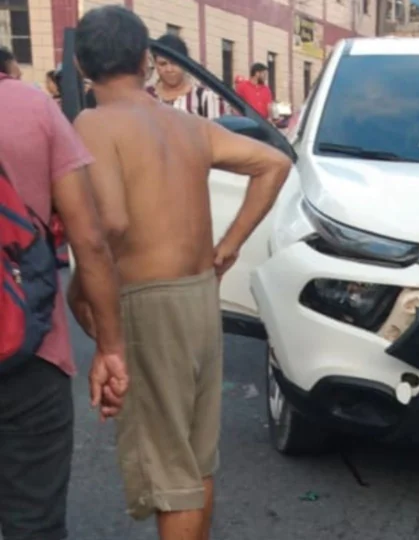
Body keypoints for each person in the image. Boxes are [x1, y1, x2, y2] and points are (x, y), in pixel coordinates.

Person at [71, 6, 291, 539]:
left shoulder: (94, 123)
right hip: (197, 295)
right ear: (147, 60)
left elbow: (113, 225)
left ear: (80, 66)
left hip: (149, 300)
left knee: (171, 470)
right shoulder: (188, 124)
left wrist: (81, 289)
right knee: (194, 458)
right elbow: (274, 163)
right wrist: (228, 246)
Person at [0, 57, 127, 540]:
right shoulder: (30, 106)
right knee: (33, 522)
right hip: (27, 348)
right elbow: (90, 239)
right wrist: (110, 347)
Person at [146, 33, 223, 119]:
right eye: (162, 64)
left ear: (185, 64)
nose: (169, 69)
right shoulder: (145, 96)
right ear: (155, 64)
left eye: (174, 63)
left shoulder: (205, 98)